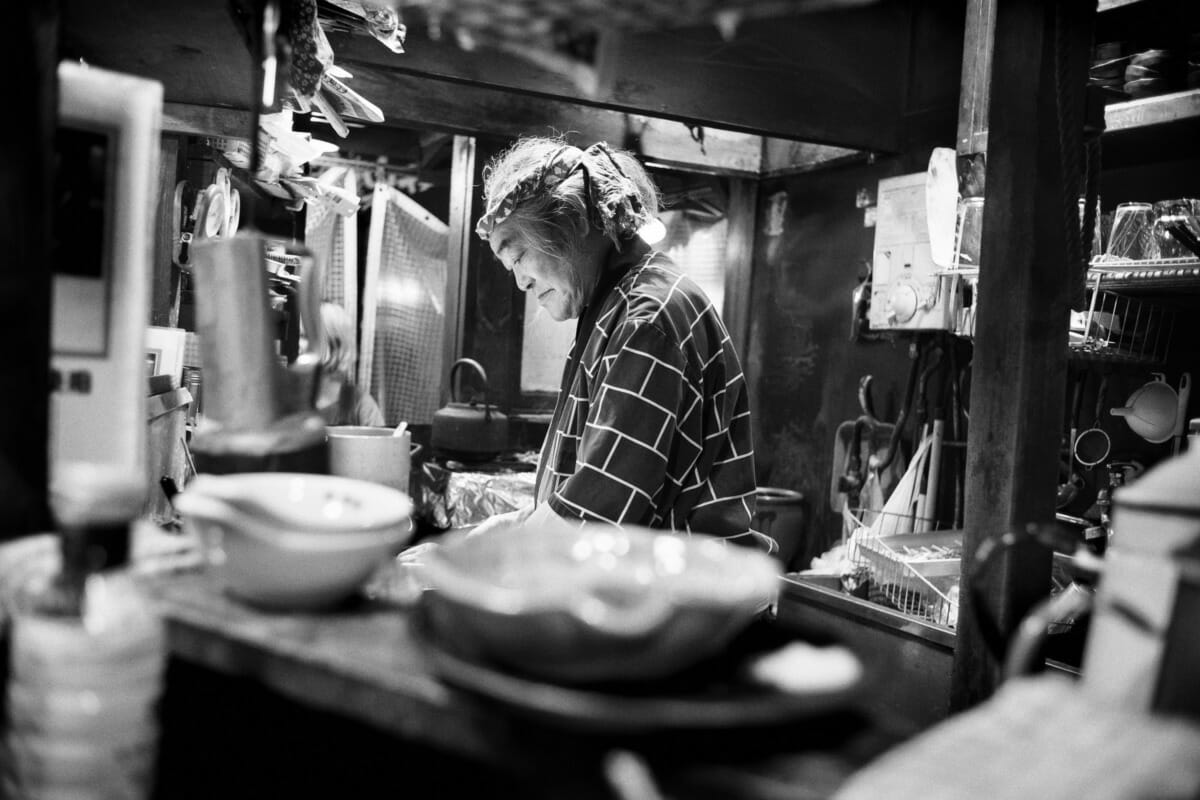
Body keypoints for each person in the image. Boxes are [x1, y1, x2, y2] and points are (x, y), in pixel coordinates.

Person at [469, 136, 770, 551]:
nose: (520, 281)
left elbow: (597, 513)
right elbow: (597, 490)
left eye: (518, 257)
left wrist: (493, 558)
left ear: (573, 223)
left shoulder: (646, 318)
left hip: (684, 599)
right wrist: (515, 525)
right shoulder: (615, 307)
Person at [314, 301, 386, 427]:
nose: (298, 344)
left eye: (304, 336)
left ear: (335, 344)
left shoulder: (359, 403)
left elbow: (381, 444)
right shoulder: (291, 399)